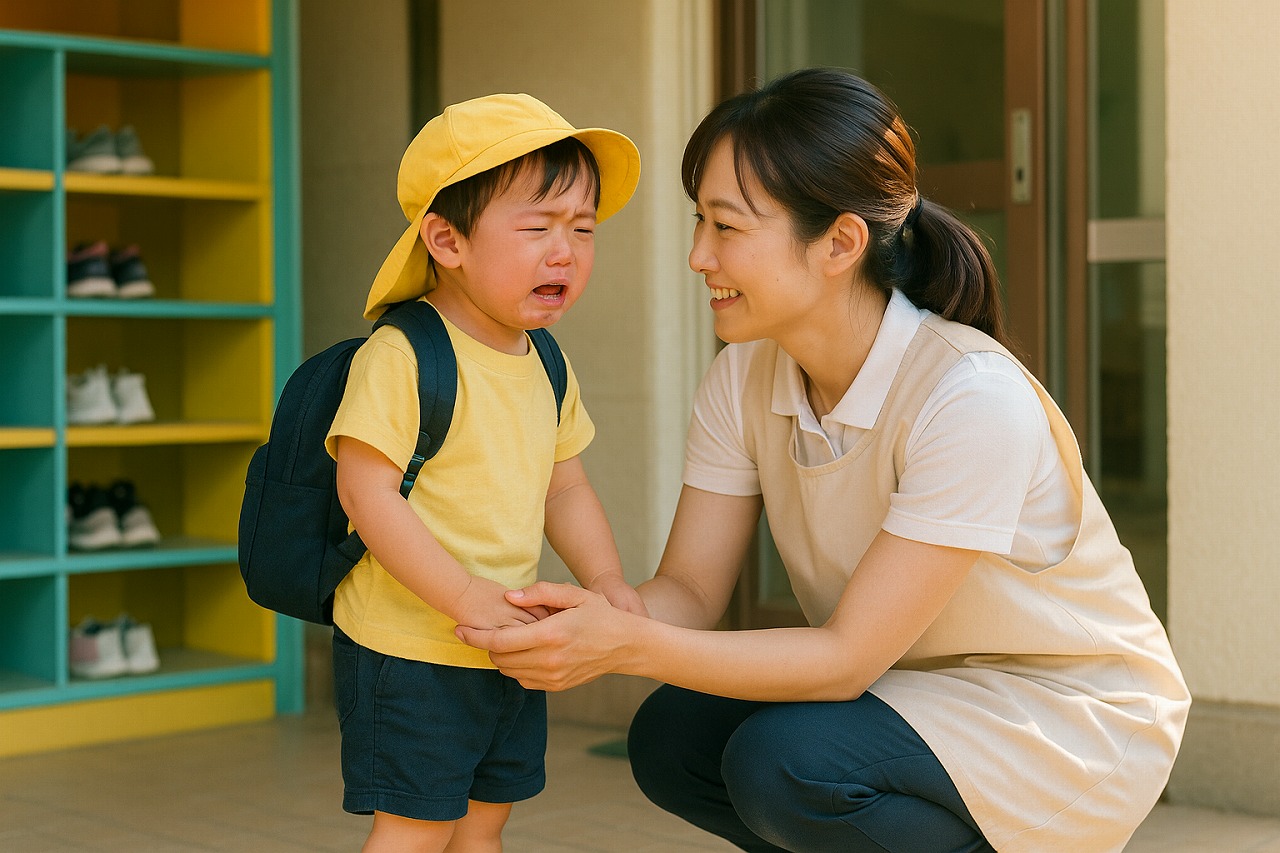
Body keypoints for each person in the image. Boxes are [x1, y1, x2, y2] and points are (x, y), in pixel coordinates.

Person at [457, 68, 1191, 853]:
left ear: (840, 242)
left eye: (728, 227)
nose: (699, 255)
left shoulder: (968, 395)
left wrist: (627, 645)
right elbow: (692, 591)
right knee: (674, 735)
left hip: (1064, 714)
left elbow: (843, 660)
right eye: (698, 221)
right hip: (912, 690)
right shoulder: (743, 375)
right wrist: (587, 617)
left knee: (788, 764)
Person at [326, 92, 645, 852]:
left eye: (582, 229)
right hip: (409, 647)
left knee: (485, 821)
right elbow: (365, 492)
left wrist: (604, 580)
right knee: (415, 827)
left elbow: (564, 485)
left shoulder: (546, 363)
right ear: (446, 238)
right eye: (537, 228)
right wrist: (465, 593)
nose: (564, 250)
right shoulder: (403, 356)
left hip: (504, 644)